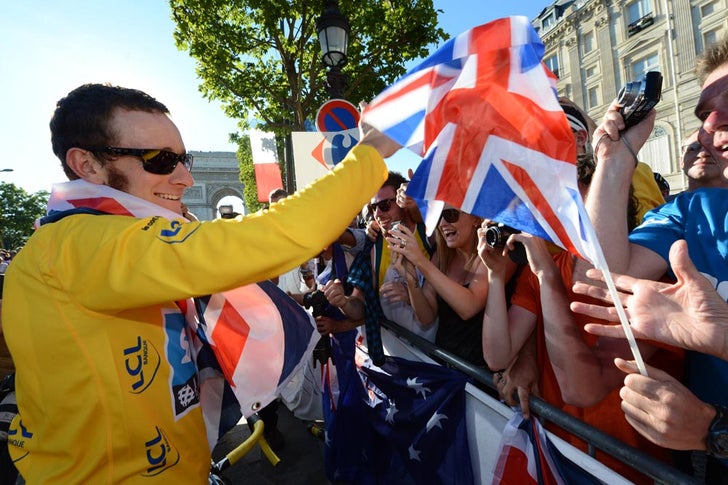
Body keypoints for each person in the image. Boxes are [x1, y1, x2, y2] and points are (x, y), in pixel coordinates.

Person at [1, 83, 397, 483]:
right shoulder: (77, 244)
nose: (186, 178)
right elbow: (273, 237)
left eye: (183, 159)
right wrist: (371, 152)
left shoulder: (88, 244)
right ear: (87, 165)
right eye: (159, 160)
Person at [579, 35, 728, 481]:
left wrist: (715, 429)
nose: (712, 124)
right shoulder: (691, 210)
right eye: (704, 114)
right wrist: (614, 158)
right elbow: (604, 275)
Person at [478, 154, 678, 482]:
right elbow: (497, 356)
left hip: (627, 467)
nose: (571, 215)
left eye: (585, 203)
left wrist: (546, 276)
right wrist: (496, 277)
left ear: (618, 207)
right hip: (558, 452)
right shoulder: (543, 268)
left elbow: (582, 389)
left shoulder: (654, 283)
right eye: (562, 204)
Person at [322, 172, 436, 341]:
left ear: (402, 201)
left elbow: (445, 213)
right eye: (373, 208)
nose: (378, 214)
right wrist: (343, 302)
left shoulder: (426, 233)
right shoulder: (375, 248)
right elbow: (359, 307)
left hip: (429, 349)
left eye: (384, 205)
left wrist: (419, 200)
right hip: (395, 348)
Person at [387, 205, 490, 365]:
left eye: (451, 215)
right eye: (438, 216)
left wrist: (421, 262)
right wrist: (411, 279)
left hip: (480, 371)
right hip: (444, 364)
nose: (442, 223)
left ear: (475, 219)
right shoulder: (441, 255)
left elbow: (469, 307)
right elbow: (426, 317)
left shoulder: (492, 255)